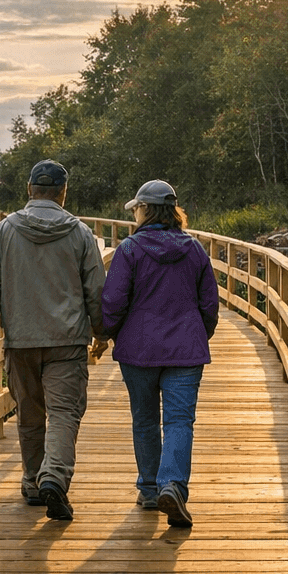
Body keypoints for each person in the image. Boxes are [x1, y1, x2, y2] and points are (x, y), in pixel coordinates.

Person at [0, 160, 107, 521]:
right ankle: (54, 478)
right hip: (67, 341)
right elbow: (96, 288)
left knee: (30, 415)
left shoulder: (2, 232)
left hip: (21, 340)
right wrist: (101, 331)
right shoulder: (80, 233)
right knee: (65, 413)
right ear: (63, 192)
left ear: (30, 190)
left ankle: (34, 481)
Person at [99, 179, 218, 528]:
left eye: (136, 207)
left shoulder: (130, 249)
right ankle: (173, 485)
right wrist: (199, 334)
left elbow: (114, 299)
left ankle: (151, 489)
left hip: (138, 349)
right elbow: (209, 303)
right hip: (185, 350)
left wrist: (109, 332)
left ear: (146, 209)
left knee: (146, 419)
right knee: (180, 420)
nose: (135, 213)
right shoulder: (194, 249)